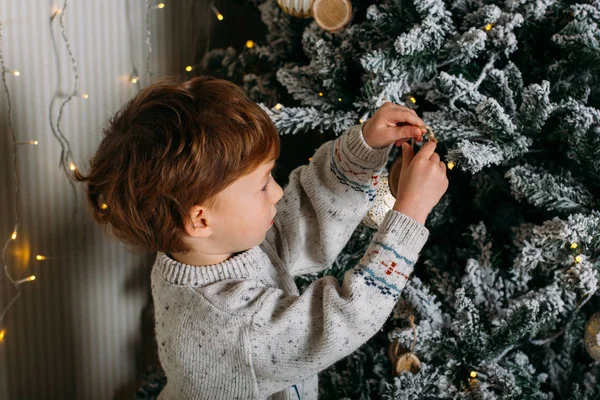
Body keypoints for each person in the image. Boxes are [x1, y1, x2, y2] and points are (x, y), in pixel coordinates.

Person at [74, 75, 448, 399]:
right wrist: (410, 214)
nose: (278, 192)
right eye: (262, 184)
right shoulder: (231, 323)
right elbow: (339, 318)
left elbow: (303, 218)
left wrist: (364, 146)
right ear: (200, 220)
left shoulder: (208, 247)